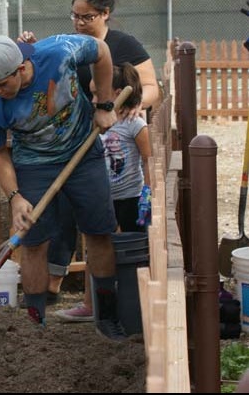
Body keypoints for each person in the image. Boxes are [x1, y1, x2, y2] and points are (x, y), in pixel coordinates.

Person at [19, 0, 161, 314]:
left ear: (106, 13)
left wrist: (129, 106)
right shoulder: (71, 46)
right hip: (70, 144)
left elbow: (153, 87)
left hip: (106, 146)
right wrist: (32, 52)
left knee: (101, 230)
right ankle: (54, 291)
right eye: (75, 16)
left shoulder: (125, 45)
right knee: (60, 220)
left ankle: (102, 304)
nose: (79, 23)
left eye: (88, 17)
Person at [0, 33, 127, 341]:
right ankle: (35, 323)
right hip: (33, 163)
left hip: (83, 152)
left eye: (2, 84)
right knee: (33, 243)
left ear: (21, 68)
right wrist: (15, 197)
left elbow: (102, 51)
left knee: (99, 233)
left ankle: (108, 316)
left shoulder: (60, 52)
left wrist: (105, 102)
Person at [54, 62, 152, 323]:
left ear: (117, 92)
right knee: (96, 249)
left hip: (129, 198)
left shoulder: (134, 123)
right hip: (100, 196)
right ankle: (90, 303)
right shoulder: (91, 121)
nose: (93, 99)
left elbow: (148, 158)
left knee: (135, 252)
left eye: (98, 95)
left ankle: (137, 304)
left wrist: (148, 192)